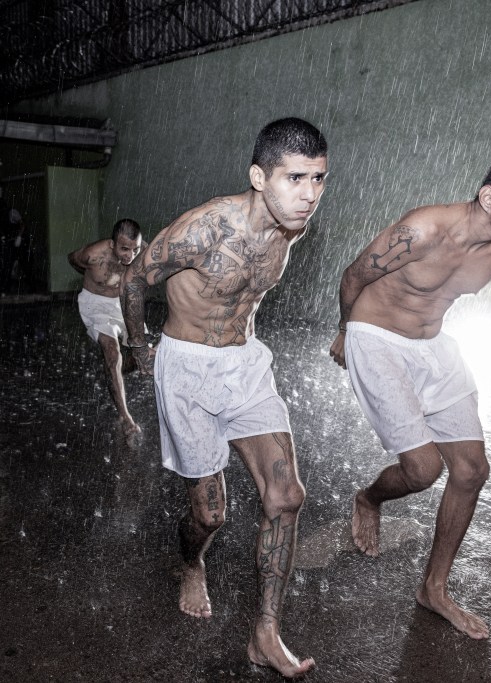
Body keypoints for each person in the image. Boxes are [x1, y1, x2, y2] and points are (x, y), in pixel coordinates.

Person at [121, 117, 328, 678]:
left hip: (244, 364)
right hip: (186, 367)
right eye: (295, 179)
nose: (309, 195)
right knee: (210, 515)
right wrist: (140, 351)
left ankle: (266, 631)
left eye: (318, 179)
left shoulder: (291, 226)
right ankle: (190, 562)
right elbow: (135, 278)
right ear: (259, 176)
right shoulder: (205, 228)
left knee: (286, 495)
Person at [328, 148, 491, 640]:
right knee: (423, 470)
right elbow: (354, 276)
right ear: (489, 196)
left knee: (473, 470)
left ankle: (434, 588)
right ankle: (369, 499)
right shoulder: (424, 229)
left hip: (433, 345)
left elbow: (442, 294)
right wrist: (345, 331)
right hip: (377, 338)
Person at [68, 219, 145, 437]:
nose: (130, 255)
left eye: (135, 249)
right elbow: (72, 260)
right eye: (124, 249)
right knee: (112, 353)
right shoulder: (92, 254)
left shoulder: (143, 251)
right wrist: (92, 277)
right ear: (112, 244)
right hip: (96, 303)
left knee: (141, 357)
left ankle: (114, 372)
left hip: (122, 303)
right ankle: (126, 418)